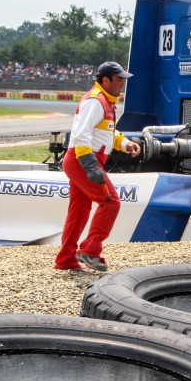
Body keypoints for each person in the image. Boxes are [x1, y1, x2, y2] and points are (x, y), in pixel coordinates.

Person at [54, 61, 141, 271]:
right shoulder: (95, 101)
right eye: (119, 79)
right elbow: (80, 134)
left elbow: (107, 133)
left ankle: (65, 260)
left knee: (79, 211)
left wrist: (125, 144)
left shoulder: (105, 101)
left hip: (82, 160)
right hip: (83, 160)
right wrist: (90, 165)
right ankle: (89, 251)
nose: (122, 83)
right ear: (106, 80)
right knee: (111, 203)